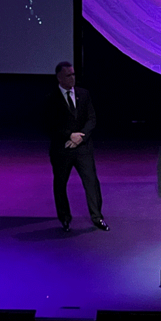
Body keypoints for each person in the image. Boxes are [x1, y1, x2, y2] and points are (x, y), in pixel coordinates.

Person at [46, 62, 108, 231]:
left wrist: (80, 137)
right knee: (60, 184)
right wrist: (69, 135)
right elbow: (50, 125)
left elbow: (92, 119)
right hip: (62, 149)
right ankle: (65, 218)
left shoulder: (84, 94)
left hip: (83, 147)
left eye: (73, 74)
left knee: (91, 182)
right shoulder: (52, 98)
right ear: (59, 77)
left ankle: (97, 217)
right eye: (68, 75)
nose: (72, 78)